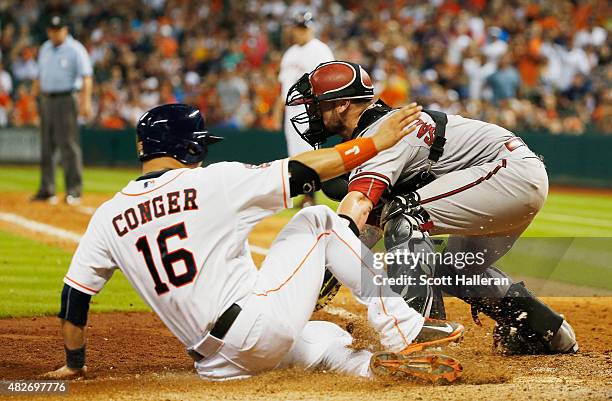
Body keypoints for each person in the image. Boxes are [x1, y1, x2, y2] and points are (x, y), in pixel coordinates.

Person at [44, 103, 465, 383]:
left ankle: (374, 369)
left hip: (215, 365)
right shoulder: (212, 181)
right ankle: (401, 327)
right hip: (254, 332)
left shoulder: (108, 216)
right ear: (188, 146)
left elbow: (73, 299)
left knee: (325, 336)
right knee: (317, 219)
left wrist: (74, 364)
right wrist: (372, 144)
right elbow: (301, 172)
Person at [286, 61, 578, 355]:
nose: (310, 114)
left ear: (342, 105)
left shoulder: (381, 134)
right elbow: (371, 225)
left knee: (404, 214)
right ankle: (545, 331)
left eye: (316, 105)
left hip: (508, 173)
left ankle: (418, 337)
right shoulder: (380, 132)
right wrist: (334, 266)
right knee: (450, 270)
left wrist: (330, 253)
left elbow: (360, 203)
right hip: (508, 180)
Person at [273, 10, 334, 207]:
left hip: (308, 109)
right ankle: (305, 194)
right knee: (295, 155)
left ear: (311, 28)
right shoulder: (290, 53)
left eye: (303, 28)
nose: (300, 32)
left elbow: (328, 81)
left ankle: (311, 197)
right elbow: (282, 87)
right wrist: (277, 112)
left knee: (309, 153)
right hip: (290, 110)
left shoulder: (320, 49)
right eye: (297, 28)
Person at [31, 14, 93, 206]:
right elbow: (39, 77)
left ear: (65, 30)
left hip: (67, 99)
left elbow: (87, 77)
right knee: (46, 146)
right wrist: (35, 101)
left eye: (58, 29)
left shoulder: (75, 49)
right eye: (51, 29)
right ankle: (46, 189)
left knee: (68, 145)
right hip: (47, 99)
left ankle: (74, 190)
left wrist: (85, 102)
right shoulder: (45, 48)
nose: (54, 33)